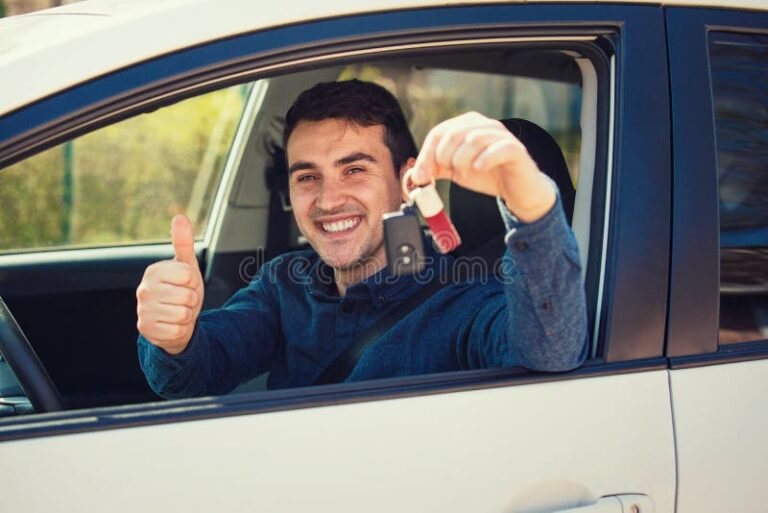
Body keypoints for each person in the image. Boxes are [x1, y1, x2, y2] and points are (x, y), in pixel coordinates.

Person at [136, 80, 588, 397]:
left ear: (408, 180)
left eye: (355, 170)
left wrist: (530, 205)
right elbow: (195, 374)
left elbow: (552, 351)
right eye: (307, 177)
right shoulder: (282, 286)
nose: (329, 200)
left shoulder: (464, 298)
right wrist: (173, 340)